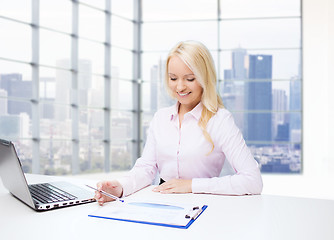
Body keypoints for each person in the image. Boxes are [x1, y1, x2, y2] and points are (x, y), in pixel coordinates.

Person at [95, 41, 263, 205]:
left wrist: (191, 185)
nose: (180, 87)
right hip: (161, 204)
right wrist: (120, 188)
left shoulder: (220, 120)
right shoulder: (161, 118)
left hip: (203, 206)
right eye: (173, 78)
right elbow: (146, 169)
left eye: (190, 79)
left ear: (204, 78)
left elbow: (252, 180)